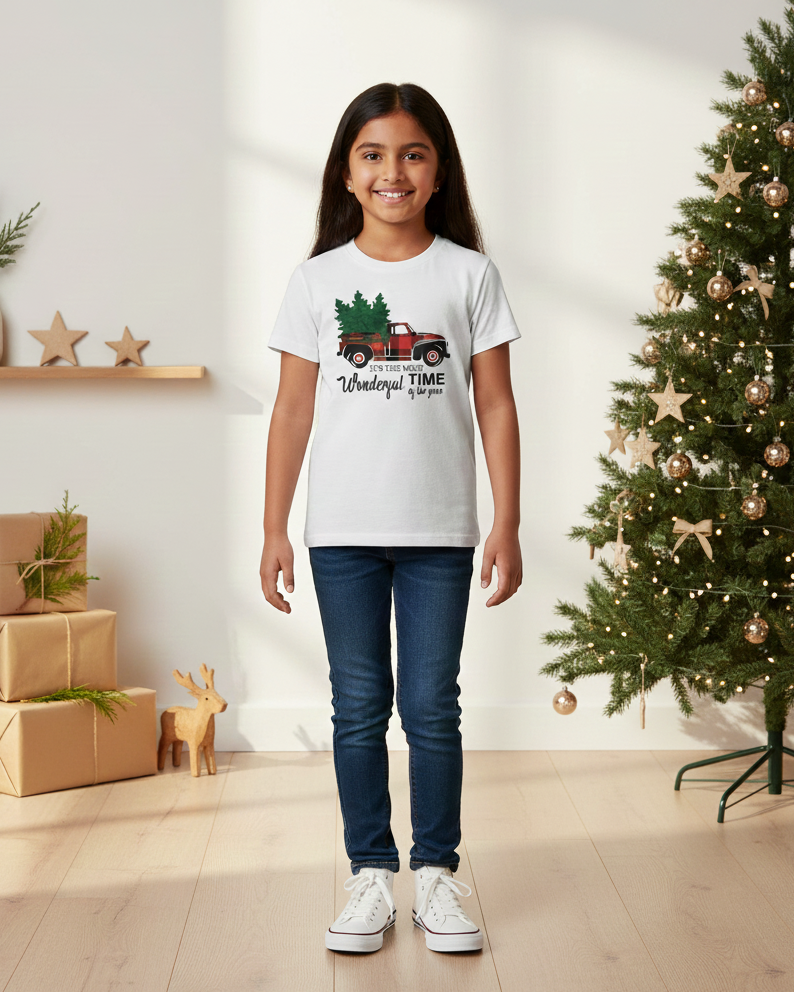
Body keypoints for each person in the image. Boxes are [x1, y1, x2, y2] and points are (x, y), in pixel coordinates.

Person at [260, 82, 522, 955]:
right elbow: (292, 411)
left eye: (413, 154)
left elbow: (495, 406)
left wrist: (507, 522)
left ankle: (437, 873)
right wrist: (273, 529)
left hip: (440, 533)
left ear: (439, 170)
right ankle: (370, 872)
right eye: (372, 155)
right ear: (346, 172)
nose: (393, 172)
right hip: (340, 534)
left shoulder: (469, 274)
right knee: (359, 705)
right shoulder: (318, 281)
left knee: (432, 707)